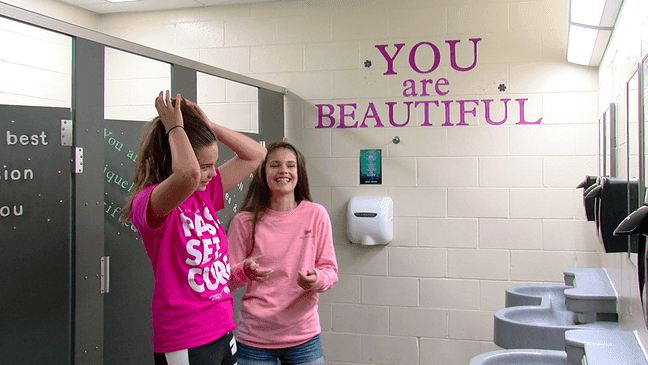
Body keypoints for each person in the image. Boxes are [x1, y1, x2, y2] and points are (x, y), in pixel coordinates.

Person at [120, 90, 267, 365]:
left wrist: (208, 126)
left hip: (222, 329)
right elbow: (187, 175)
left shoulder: (203, 193)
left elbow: (256, 155)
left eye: (213, 165)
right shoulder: (152, 204)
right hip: (186, 338)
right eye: (205, 167)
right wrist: (175, 128)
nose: (211, 174)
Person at [227, 141, 338, 365]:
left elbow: (330, 271)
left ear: (299, 173)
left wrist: (316, 279)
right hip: (254, 340)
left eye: (290, 165)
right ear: (263, 172)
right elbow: (227, 279)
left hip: (304, 338)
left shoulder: (316, 215)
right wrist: (245, 271)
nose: (283, 171)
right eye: (275, 165)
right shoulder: (244, 221)